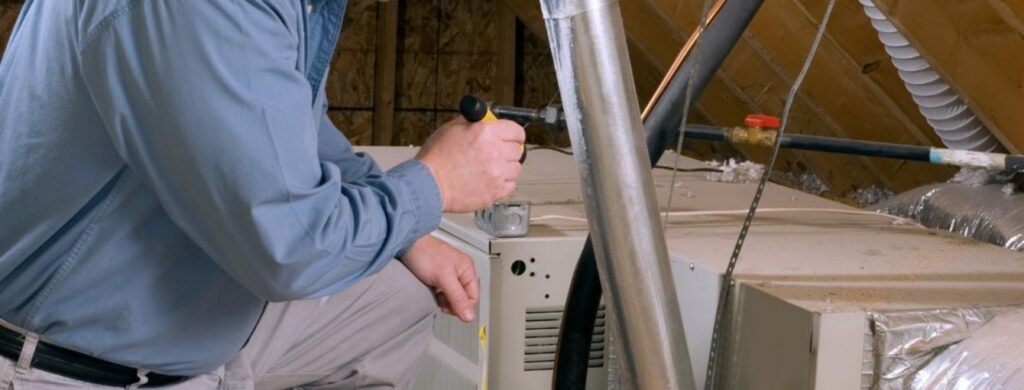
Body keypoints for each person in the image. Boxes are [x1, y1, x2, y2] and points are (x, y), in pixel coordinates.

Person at [0, 1, 525, 389]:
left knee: (393, 300)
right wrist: (435, 183)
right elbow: (289, 251)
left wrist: (403, 232)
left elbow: (290, 128)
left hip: (177, 321)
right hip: (74, 365)